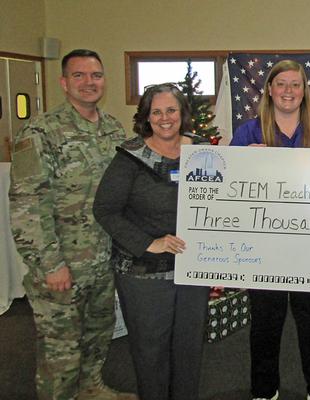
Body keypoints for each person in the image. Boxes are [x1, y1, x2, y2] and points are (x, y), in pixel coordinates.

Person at [9, 49, 135, 400]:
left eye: (95, 75)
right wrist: (51, 264)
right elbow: (27, 204)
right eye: (79, 75)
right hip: (62, 263)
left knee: (97, 334)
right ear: (64, 83)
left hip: (103, 259)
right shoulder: (40, 132)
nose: (88, 82)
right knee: (60, 349)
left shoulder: (112, 129)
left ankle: (91, 388)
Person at [230, 59, 310, 400]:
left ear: (305, 91)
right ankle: (264, 391)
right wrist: (243, 164)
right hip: (264, 248)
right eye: (281, 84)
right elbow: (228, 191)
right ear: (269, 89)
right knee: (265, 323)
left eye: (296, 84)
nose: (288, 91)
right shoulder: (248, 132)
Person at [93, 83, 210, 400]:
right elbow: (104, 209)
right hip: (143, 274)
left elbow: (224, 200)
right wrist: (149, 243)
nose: (165, 118)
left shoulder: (202, 150)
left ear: (182, 113)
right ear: (146, 117)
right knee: (151, 353)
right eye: (156, 112)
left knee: (189, 350)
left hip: (192, 271)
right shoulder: (130, 157)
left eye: (171, 110)